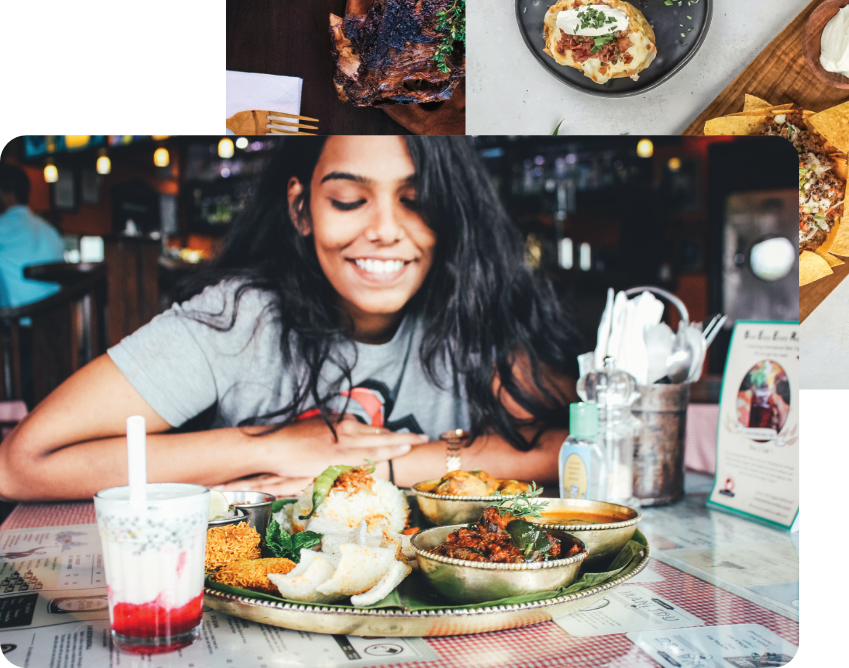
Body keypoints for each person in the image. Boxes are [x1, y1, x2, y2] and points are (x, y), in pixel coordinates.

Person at [0, 137, 580, 501]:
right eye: (350, 199)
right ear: (302, 209)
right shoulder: (237, 316)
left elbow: (578, 439)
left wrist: (380, 466)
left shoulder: (471, 303)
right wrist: (272, 444)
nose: (384, 228)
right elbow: (23, 465)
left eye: (416, 198)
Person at [0, 164, 65, 310]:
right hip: (57, 322)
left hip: (17, 325)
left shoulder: (2, 227)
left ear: (10, 196)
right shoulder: (50, 231)